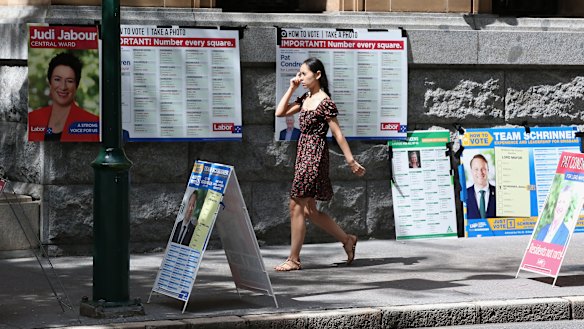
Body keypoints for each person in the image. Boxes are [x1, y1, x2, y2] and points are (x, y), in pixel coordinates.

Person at [274, 57, 366, 271]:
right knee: (309, 210)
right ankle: (347, 239)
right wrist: (291, 88)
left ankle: (294, 260)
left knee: (295, 204)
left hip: (314, 156)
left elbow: (338, 134)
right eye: (299, 73)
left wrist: (351, 160)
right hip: (303, 153)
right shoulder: (305, 97)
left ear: (317, 75)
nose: (300, 78)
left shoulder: (325, 103)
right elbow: (279, 112)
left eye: (303, 74)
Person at [28, 52, 100, 142]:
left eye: (69, 81)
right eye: (57, 79)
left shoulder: (94, 124)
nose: (63, 87)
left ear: (76, 85)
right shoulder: (30, 120)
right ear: (50, 82)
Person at [466, 154, 496, 219]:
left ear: (488, 170)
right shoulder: (465, 195)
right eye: (476, 169)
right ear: (471, 171)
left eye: (483, 169)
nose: (480, 172)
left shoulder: (499, 193)